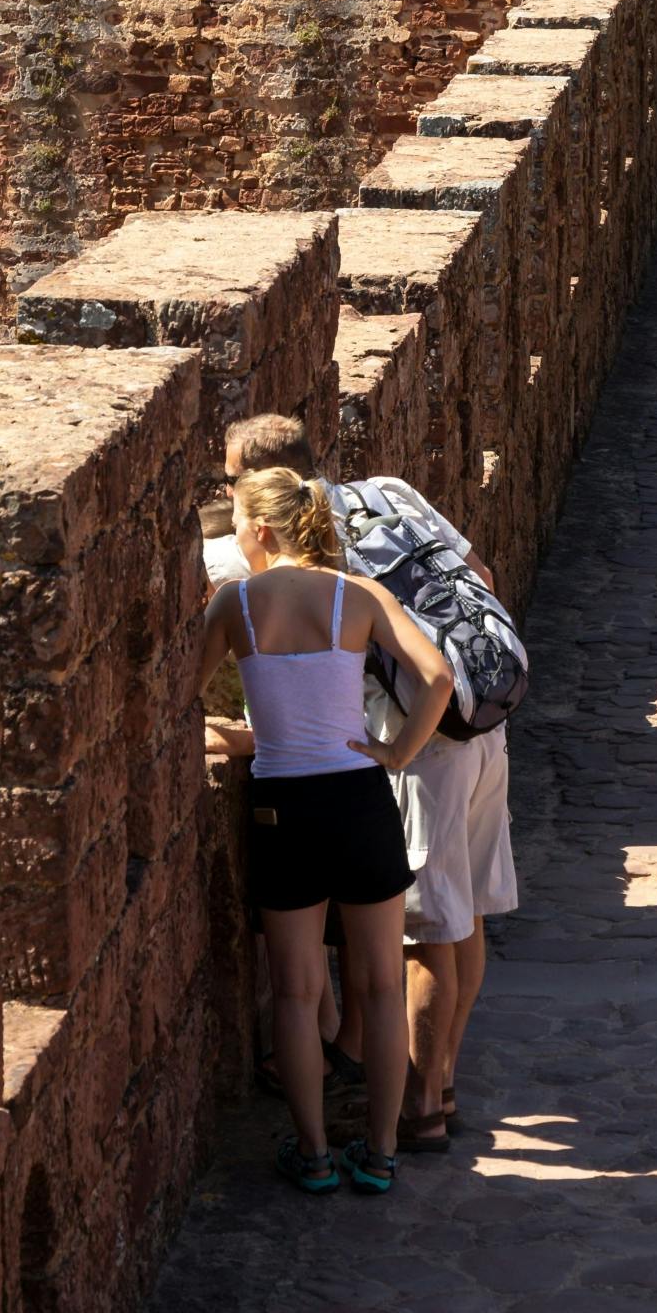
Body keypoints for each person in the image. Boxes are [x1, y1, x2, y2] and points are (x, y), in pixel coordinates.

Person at [223, 413, 520, 1157]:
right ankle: (437, 1080)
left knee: (423, 935)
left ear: (260, 486)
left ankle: (421, 1110)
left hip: (415, 748)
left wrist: (394, 751)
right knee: (469, 912)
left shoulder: (286, 552)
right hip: (482, 725)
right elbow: (479, 580)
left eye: (229, 482)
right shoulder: (389, 491)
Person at [200, 463, 451, 1195]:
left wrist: (243, 735)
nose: (237, 536)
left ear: (263, 528)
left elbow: (174, 696)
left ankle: (311, 1155)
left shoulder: (236, 605)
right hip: (359, 798)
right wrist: (399, 752)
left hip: (285, 808)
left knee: (298, 994)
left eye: (239, 522)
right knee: (377, 987)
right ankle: (378, 1153)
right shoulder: (358, 595)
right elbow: (436, 677)